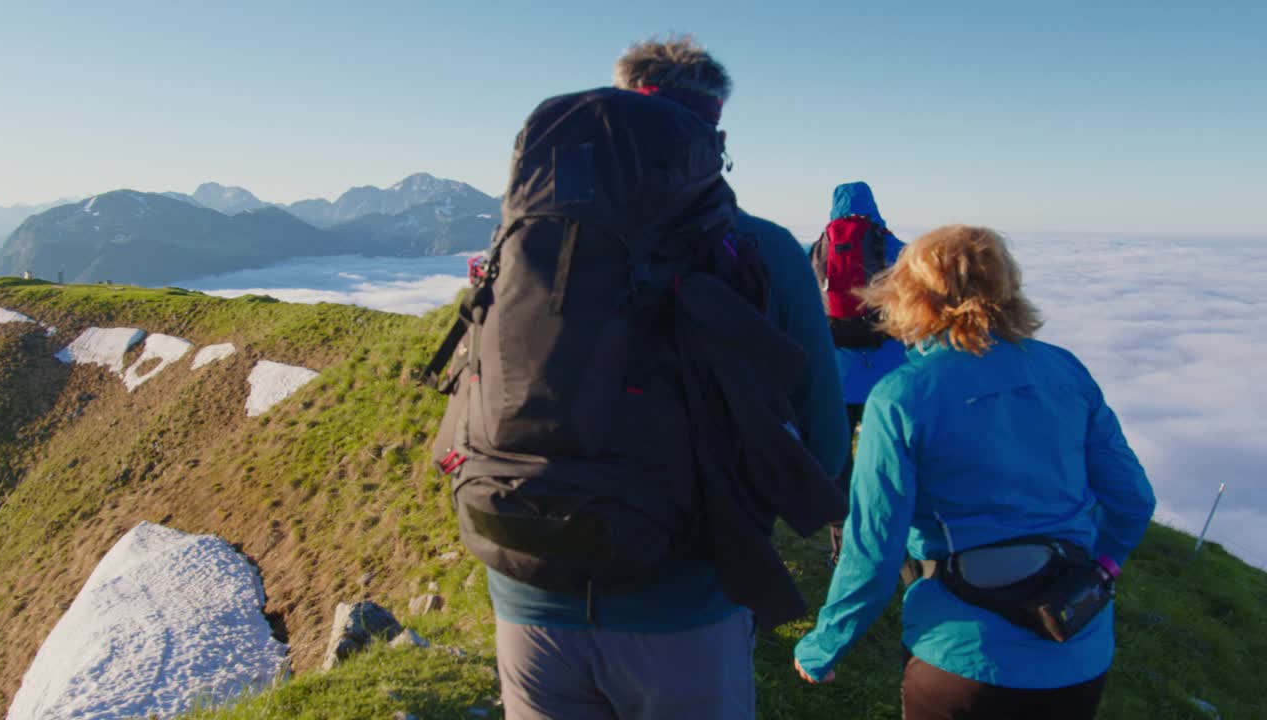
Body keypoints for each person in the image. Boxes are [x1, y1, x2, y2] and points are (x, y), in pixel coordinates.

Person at [482, 37, 849, 719]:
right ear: (710, 131)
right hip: (679, 605)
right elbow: (824, 453)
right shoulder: (761, 250)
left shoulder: (522, 248)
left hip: (526, 592)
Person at [792, 225, 1156, 719]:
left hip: (963, 659)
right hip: (1077, 645)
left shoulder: (903, 396)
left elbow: (874, 549)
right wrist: (1102, 569)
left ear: (910, 296)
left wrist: (823, 645)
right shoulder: (1065, 371)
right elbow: (1133, 499)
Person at [817, 181, 908, 565]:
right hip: (889, 375)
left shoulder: (816, 251)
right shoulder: (897, 250)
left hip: (837, 374)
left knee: (839, 459)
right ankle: (901, 551)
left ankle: (843, 549)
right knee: (889, 459)